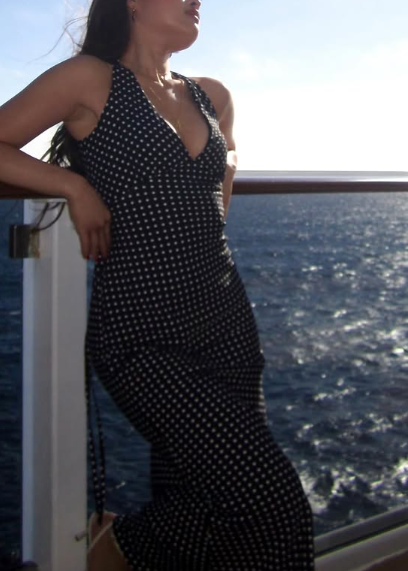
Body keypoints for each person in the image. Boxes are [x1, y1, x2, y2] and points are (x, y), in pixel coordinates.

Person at [0, 0, 316, 569]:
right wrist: (75, 187)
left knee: (206, 498)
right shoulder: (89, 79)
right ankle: (120, 548)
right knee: (274, 507)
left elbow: (217, 195)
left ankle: (133, 550)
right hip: (143, 334)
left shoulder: (212, 95)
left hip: (227, 325)